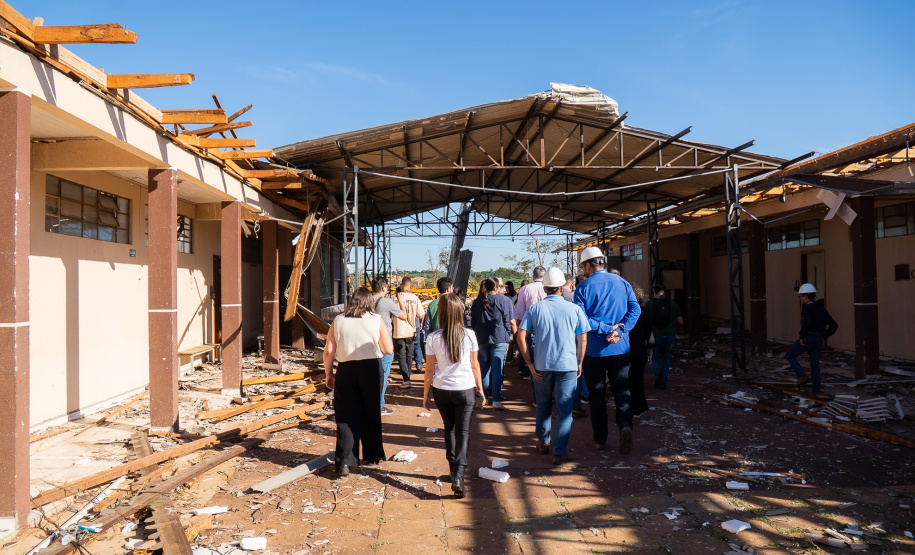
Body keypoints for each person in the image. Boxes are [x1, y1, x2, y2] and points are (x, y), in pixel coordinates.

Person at [518, 268, 590, 465]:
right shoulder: (575, 309)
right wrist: (579, 362)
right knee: (564, 409)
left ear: (545, 289)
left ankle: (543, 442)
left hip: (541, 365)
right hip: (567, 366)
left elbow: (521, 336)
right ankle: (559, 452)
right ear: (561, 288)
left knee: (543, 405)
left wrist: (529, 364)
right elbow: (582, 338)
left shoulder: (534, 309)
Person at [574, 246, 641, 455]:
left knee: (596, 394)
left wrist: (604, 330)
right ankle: (626, 427)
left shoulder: (583, 288)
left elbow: (581, 318)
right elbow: (635, 309)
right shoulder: (622, 282)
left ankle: (600, 438)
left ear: (587, 265)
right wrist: (620, 330)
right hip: (620, 348)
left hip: (594, 351)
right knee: (622, 390)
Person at [323, 287, 394, 477]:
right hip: (371, 368)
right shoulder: (376, 319)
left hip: (346, 369)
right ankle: (373, 455)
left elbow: (329, 350)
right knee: (371, 411)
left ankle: (345, 462)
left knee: (346, 416)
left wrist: (329, 373)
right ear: (370, 301)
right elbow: (388, 348)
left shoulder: (338, 320)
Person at [423, 293, 486, 497]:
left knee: (449, 428)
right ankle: (459, 474)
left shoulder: (433, 337)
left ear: (440, 312)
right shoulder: (469, 335)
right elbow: (475, 365)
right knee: (463, 432)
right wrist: (481, 389)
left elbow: (429, 371)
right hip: (465, 389)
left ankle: (452, 469)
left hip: (442, 389)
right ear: (460, 311)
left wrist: (426, 394)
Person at [786, 283, 838, 395]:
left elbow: (807, 323)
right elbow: (834, 325)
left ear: (805, 296)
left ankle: (801, 375)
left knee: (790, 355)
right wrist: (824, 336)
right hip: (818, 338)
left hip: (809, 337)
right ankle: (816, 390)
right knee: (815, 364)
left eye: (801, 297)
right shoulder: (822, 310)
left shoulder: (806, 308)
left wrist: (802, 337)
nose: (800, 299)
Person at [470, 278, 513, 410]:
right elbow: (508, 322)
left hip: (481, 339)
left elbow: (473, 322)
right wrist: (507, 338)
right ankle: (496, 400)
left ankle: (483, 398)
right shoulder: (504, 300)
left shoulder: (477, 302)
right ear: (496, 287)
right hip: (499, 339)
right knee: (497, 370)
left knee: (483, 370)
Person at [371, 277, 404, 415]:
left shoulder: (365, 300)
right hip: (384, 342)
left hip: (369, 342)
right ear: (384, 288)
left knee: (370, 375)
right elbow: (403, 316)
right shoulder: (387, 302)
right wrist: (401, 301)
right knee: (383, 375)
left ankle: (369, 403)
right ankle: (379, 405)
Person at [645, 284, 683, 390]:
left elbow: (643, 318)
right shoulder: (673, 304)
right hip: (669, 335)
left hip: (655, 335)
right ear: (665, 293)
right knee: (666, 358)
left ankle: (657, 371)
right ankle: (663, 381)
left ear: (654, 293)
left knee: (654, 357)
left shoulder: (649, 304)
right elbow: (681, 321)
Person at [513, 267, 547, 384]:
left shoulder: (525, 289)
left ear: (533, 276)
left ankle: (532, 376)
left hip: (530, 325)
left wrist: (520, 329)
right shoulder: (548, 288)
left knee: (530, 353)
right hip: (546, 326)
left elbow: (520, 312)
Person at [393, 276, 425, 389]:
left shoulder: (395, 298)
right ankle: (408, 377)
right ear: (410, 286)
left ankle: (406, 379)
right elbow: (421, 315)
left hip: (398, 331)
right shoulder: (415, 298)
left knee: (401, 355)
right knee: (409, 355)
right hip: (411, 331)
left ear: (401, 285)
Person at [627, 284, 652, 416]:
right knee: (638, 378)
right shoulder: (643, 310)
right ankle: (640, 406)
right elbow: (648, 332)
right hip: (639, 347)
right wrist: (651, 350)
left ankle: (628, 406)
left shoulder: (622, 310)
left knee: (626, 379)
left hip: (625, 347)